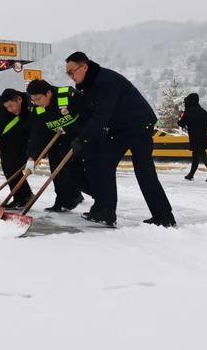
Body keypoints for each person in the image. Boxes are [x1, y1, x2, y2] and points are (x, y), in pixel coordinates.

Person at [65, 51, 176, 227]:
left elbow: (101, 115)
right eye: (67, 73)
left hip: (139, 125)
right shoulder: (89, 84)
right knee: (101, 165)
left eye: (72, 71)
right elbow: (90, 110)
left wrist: (83, 138)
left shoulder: (105, 81)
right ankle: (105, 211)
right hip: (120, 129)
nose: (70, 76)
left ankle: (164, 216)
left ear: (84, 67)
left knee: (144, 172)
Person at [24, 79, 90, 212]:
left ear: (48, 93)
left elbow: (89, 112)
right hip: (58, 138)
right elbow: (37, 133)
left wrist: (86, 135)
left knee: (75, 171)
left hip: (80, 138)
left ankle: (86, 197)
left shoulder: (66, 95)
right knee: (57, 171)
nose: (37, 103)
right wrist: (31, 157)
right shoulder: (38, 109)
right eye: (33, 100)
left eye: (39, 99)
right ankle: (62, 201)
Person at [178, 93, 207, 182]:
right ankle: (190, 175)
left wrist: (181, 118)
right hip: (204, 136)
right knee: (196, 155)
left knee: (203, 155)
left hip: (195, 137)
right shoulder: (203, 111)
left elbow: (181, 123)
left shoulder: (189, 112)